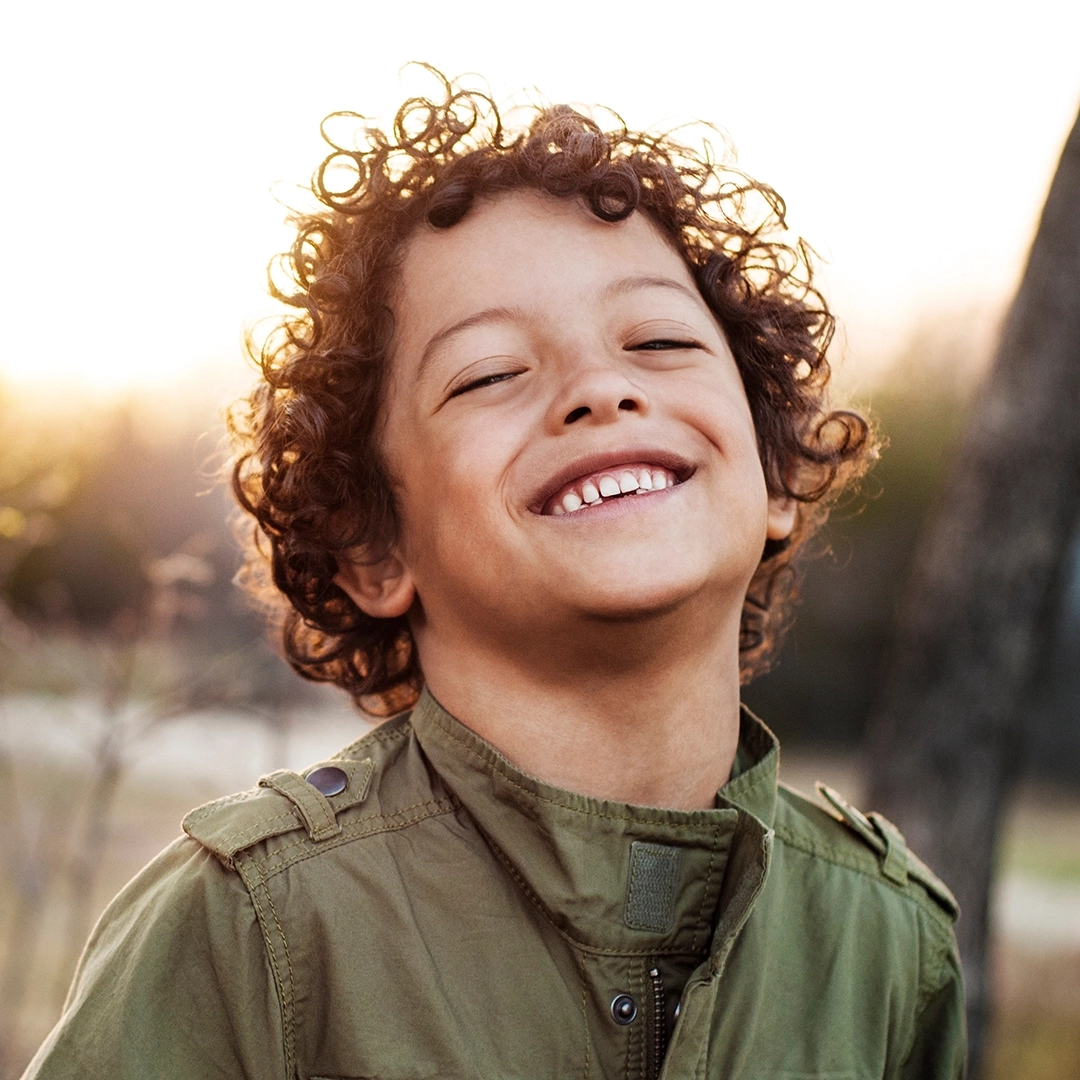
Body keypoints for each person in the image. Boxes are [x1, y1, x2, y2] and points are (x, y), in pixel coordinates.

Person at [22, 69, 966, 1079]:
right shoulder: (252, 930)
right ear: (376, 549)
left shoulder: (892, 942)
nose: (601, 389)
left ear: (777, 473)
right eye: (489, 374)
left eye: (659, 340)